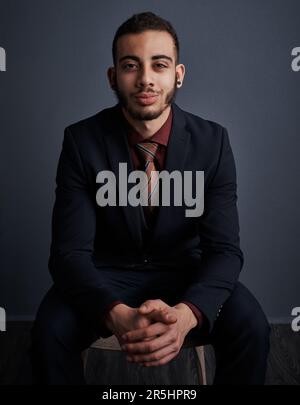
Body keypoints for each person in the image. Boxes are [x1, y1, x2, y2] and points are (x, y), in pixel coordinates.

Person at [30, 11, 270, 385]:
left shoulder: (214, 142)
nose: (145, 79)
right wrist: (115, 313)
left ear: (178, 74)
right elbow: (68, 255)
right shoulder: (81, 141)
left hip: (185, 272)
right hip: (107, 274)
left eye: (159, 65)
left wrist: (186, 316)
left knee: (252, 327)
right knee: (49, 330)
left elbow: (225, 251)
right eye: (130, 65)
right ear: (113, 76)